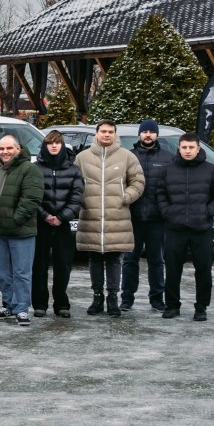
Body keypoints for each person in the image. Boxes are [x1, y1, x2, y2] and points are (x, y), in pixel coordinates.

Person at [74, 119, 145, 318]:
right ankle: (97, 297)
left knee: (114, 260)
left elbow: (138, 181)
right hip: (91, 216)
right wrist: (80, 200)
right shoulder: (82, 157)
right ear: (96, 133)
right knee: (94, 259)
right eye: (103, 131)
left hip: (117, 218)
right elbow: (74, 183)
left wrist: (126, 196)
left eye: (110, 132)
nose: (107, 135)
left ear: (115, 134)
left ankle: (113, 298)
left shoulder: (127, 156)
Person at [156, 133, 214, 320]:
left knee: (203, 270)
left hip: (201, 229)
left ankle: (201, 307)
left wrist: (208, 211)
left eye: (191, 147)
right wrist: (167, 212)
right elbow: (160, 193)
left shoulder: (211, 170)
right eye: (184, 147)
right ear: (179, 149)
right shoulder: (168, 170)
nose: (187, 151)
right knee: (172, 270)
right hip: (175, 228)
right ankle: (172, 306)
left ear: (198, 149)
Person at [0, 133, 44, 326]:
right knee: (2, 272)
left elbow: (31, 199)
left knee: (21, 273)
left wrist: (16, 220)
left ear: (18, 149)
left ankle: (22, 309)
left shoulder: (29, 169)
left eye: (9, 148)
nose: (5, 152)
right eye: (1, 148)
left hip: (20, 231)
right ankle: (8, 305)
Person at [31, 129, 83, 318]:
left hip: (63, 225)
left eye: (57, 143)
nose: (53, 146)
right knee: (39, 266)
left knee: (63, 266)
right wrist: (45, 216)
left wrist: (61, 217)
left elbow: (77, 198)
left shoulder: (74, 170)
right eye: (49, 143)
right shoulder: (35, 168)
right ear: (44, 146)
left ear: (62, 146)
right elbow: (31, 196)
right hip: (40, 224)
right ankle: (39, 303)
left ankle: (61, 303)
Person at [124, 118, 171, 312]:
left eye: (151, 132)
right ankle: (126, 298)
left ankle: (157, 298)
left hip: (157, 219)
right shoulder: (129, 156)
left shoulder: (168, 158)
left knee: (157, 261)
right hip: (132, 218)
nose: (148, 135)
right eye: (145, 132)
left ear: (157, 134)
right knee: (129, 260)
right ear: (140, 134)